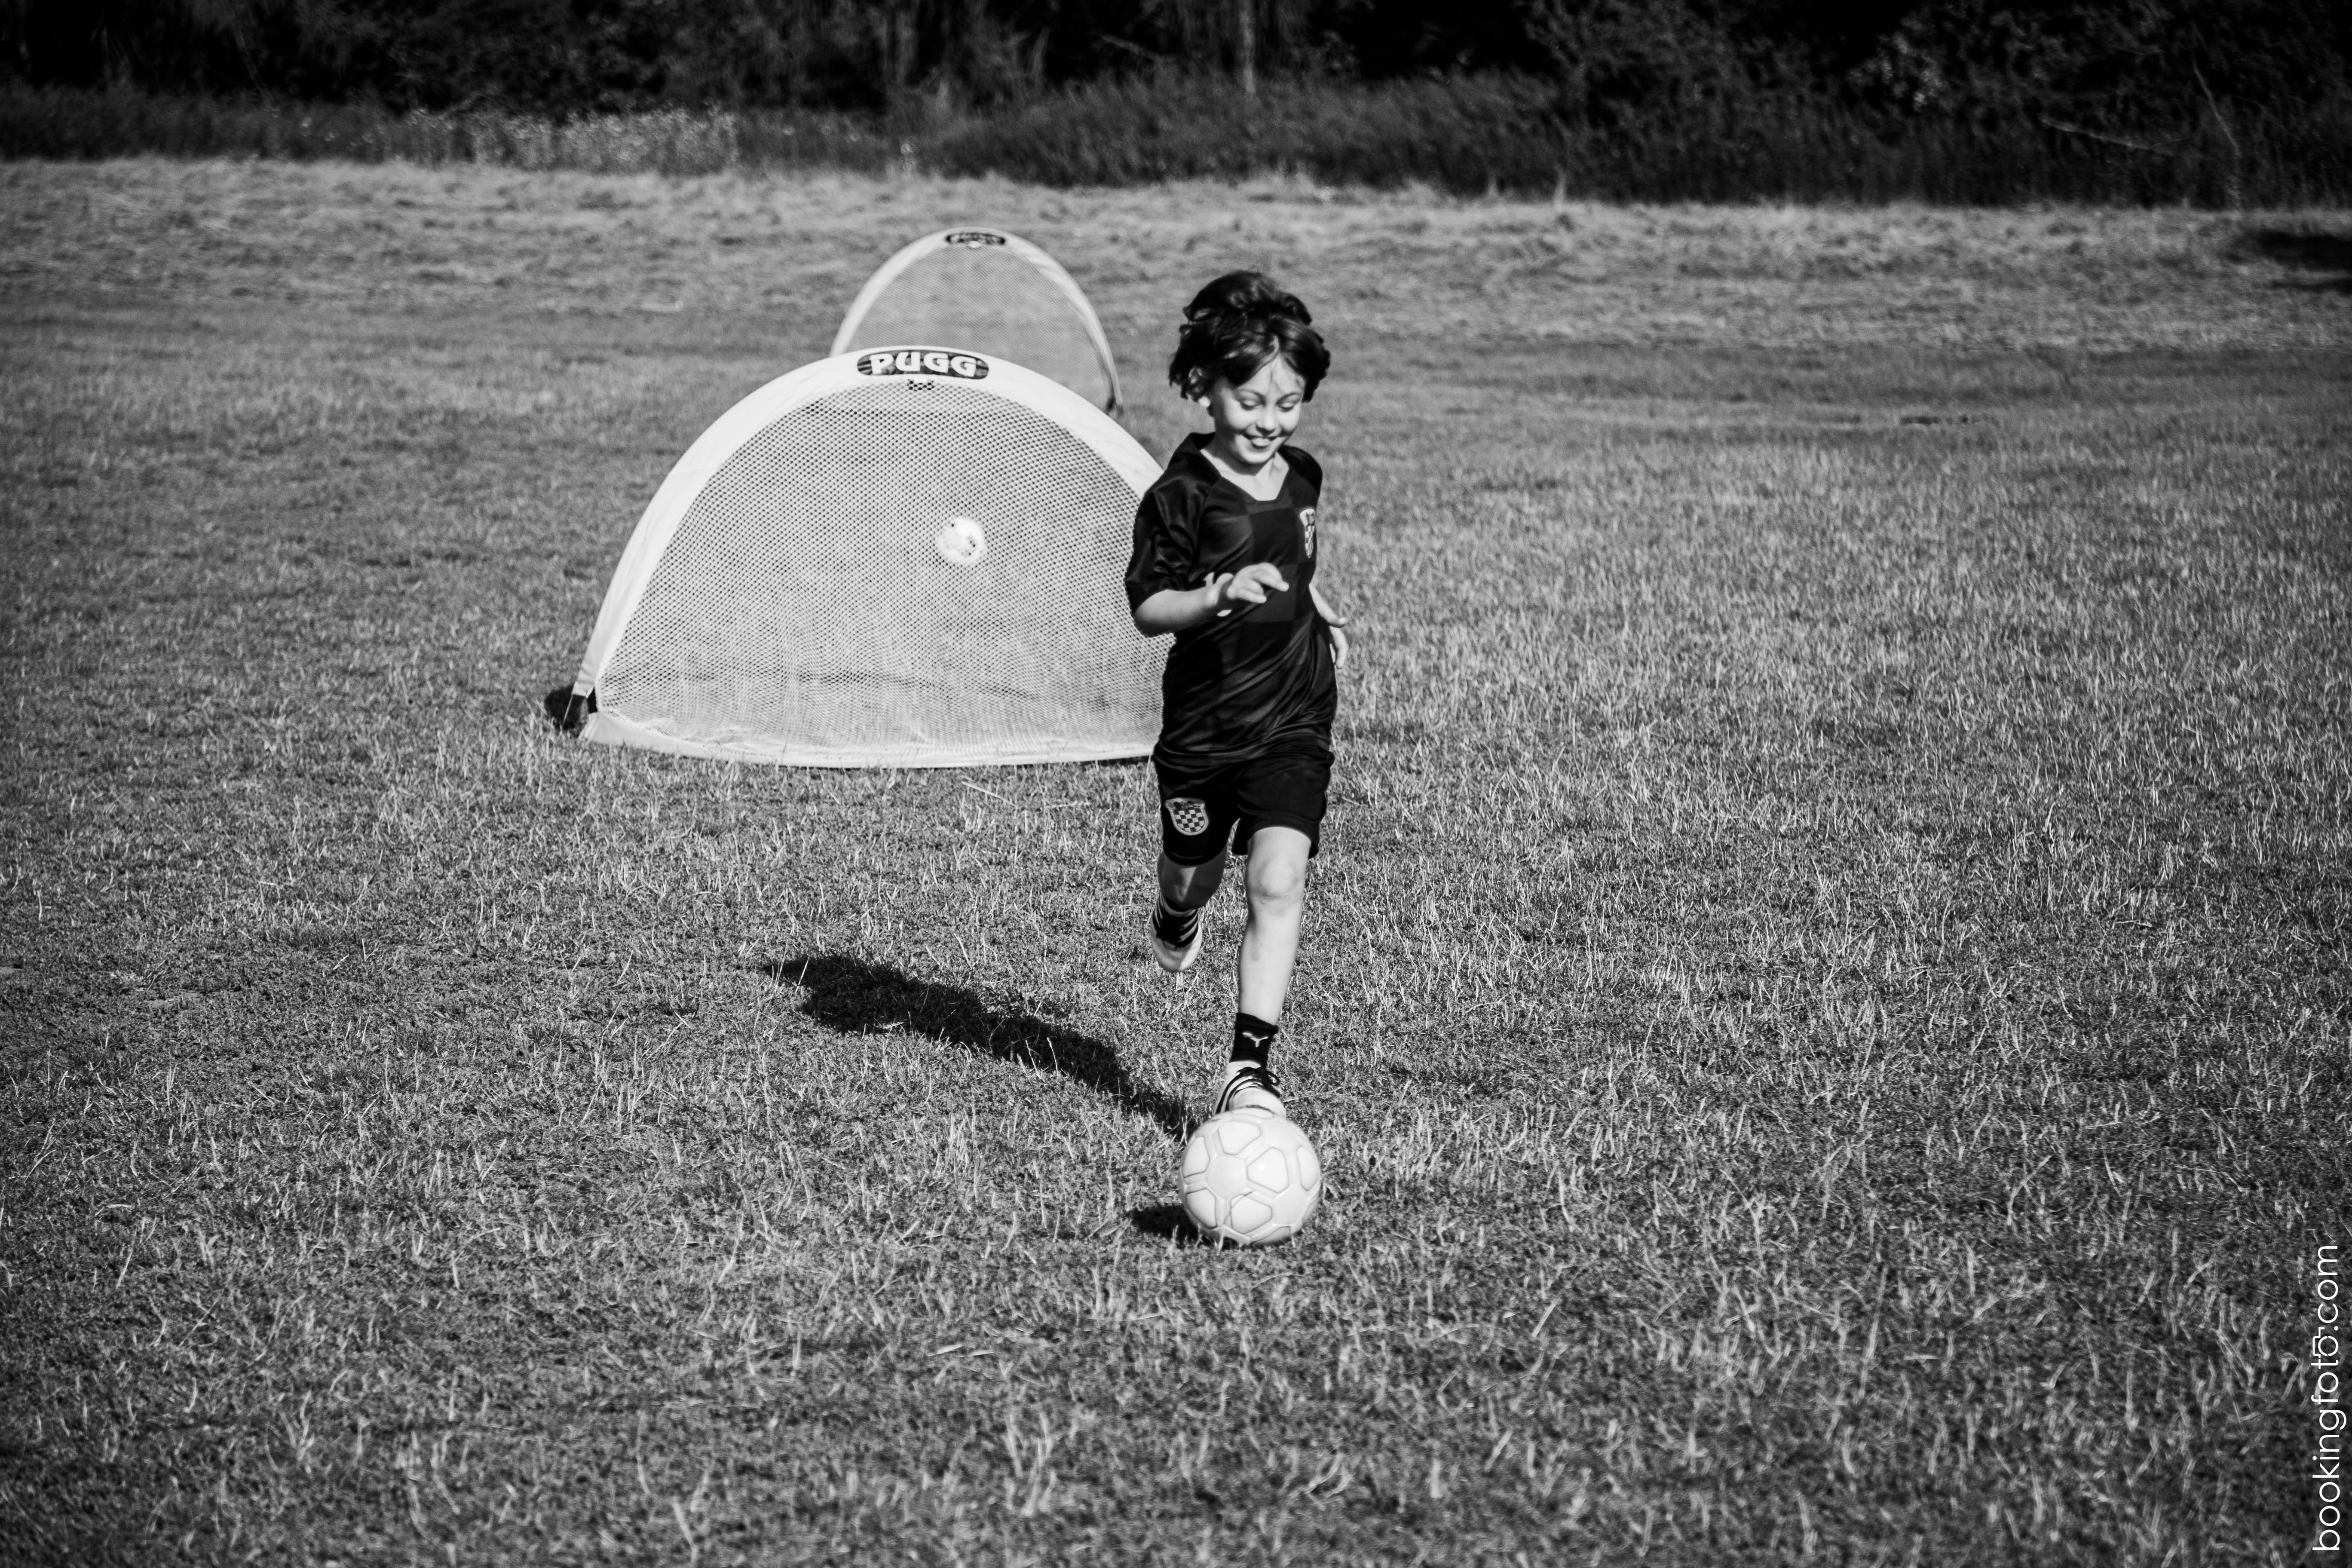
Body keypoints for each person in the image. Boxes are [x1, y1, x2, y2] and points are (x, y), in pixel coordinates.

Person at [1123, 272, 1349, 1120]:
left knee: (1278, 880)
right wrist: (1219, 594)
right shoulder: (1180, 496)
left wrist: (1311, 601)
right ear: (1204, 389)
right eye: (1251, 401)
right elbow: (1150, 608)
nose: (1269, 421)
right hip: (1205, 730)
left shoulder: (1303, 475)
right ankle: (1174, 914)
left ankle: (1247, 1069)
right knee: (1195, 876)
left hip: (1295, 713)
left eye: (1288, 404)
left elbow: (1292, 560)